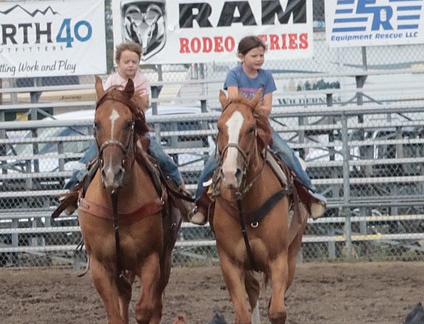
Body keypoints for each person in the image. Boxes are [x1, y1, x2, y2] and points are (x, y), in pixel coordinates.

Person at [189, 35, 328, 224]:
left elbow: (266, 109)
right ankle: (201, 204)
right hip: (238, 129)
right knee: (213, 161)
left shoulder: (266, 77)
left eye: (261, 55)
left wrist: (249, 108)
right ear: (241, 56)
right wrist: (253, 106)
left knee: (287, 153)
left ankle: (310, 194)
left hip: (261, 127)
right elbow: (235, 105)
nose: (259, 59)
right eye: (254, 55)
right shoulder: (234, 75)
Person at [55, 41, 190, 217]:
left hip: (136, 132)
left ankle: (182, 195)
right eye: (126, 61)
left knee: (164, 159)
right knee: (87, 159)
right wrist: (129, 100)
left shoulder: (142, 80)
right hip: (113, 133)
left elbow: (145, 103)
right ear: (118, 63)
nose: (131, 65)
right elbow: (109, 104)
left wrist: (127, 101)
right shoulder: (112, 79)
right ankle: (71, 192)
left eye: (134, 61)